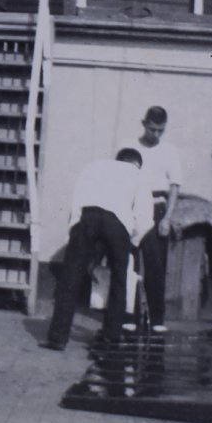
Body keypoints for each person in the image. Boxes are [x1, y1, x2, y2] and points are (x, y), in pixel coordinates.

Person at [45, 148, 153, 351]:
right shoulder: (137, 174)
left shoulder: (95, 166)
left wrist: (75, 233)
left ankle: (57, 338)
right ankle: (112, 337)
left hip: (88, 217)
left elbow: (77, 201)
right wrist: (132, 241)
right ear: (136, 164)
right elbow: (145, 217)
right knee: (119, 280)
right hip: (118, 223)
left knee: (70, 278)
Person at [123, 106, 182, 332]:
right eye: (152, 129)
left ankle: (157, 319)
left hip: (157, 208)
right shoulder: (129, 146)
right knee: (129, 265)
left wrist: (167, 218)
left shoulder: (169, 151)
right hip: (132, 207)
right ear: (143, 124)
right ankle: (129, 316)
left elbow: (175, 186)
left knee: (156, 266)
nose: (156, 134)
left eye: (160, 130)